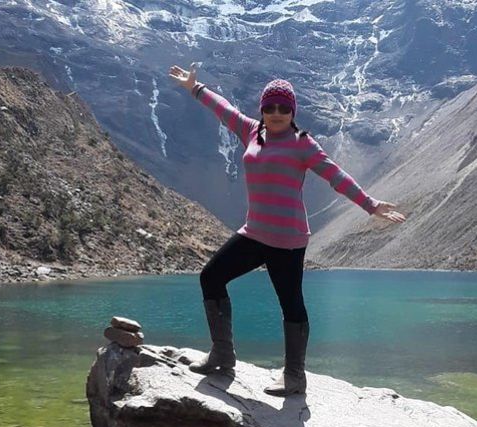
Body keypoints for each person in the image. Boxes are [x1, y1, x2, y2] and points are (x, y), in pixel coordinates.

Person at [168, 63, 406, 396]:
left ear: (292, 111)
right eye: (270, 107)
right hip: (254, 233)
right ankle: (223, 354)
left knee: (290, 304)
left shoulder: (302, 144)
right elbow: (223, 109)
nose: (276, 113)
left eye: (283, 107)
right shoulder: (251, 130)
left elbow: (336, 177)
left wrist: (370, 204)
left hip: (288, 241)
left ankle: (294, 376)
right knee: (210, 276)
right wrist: (195, 88)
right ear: (262, 109)